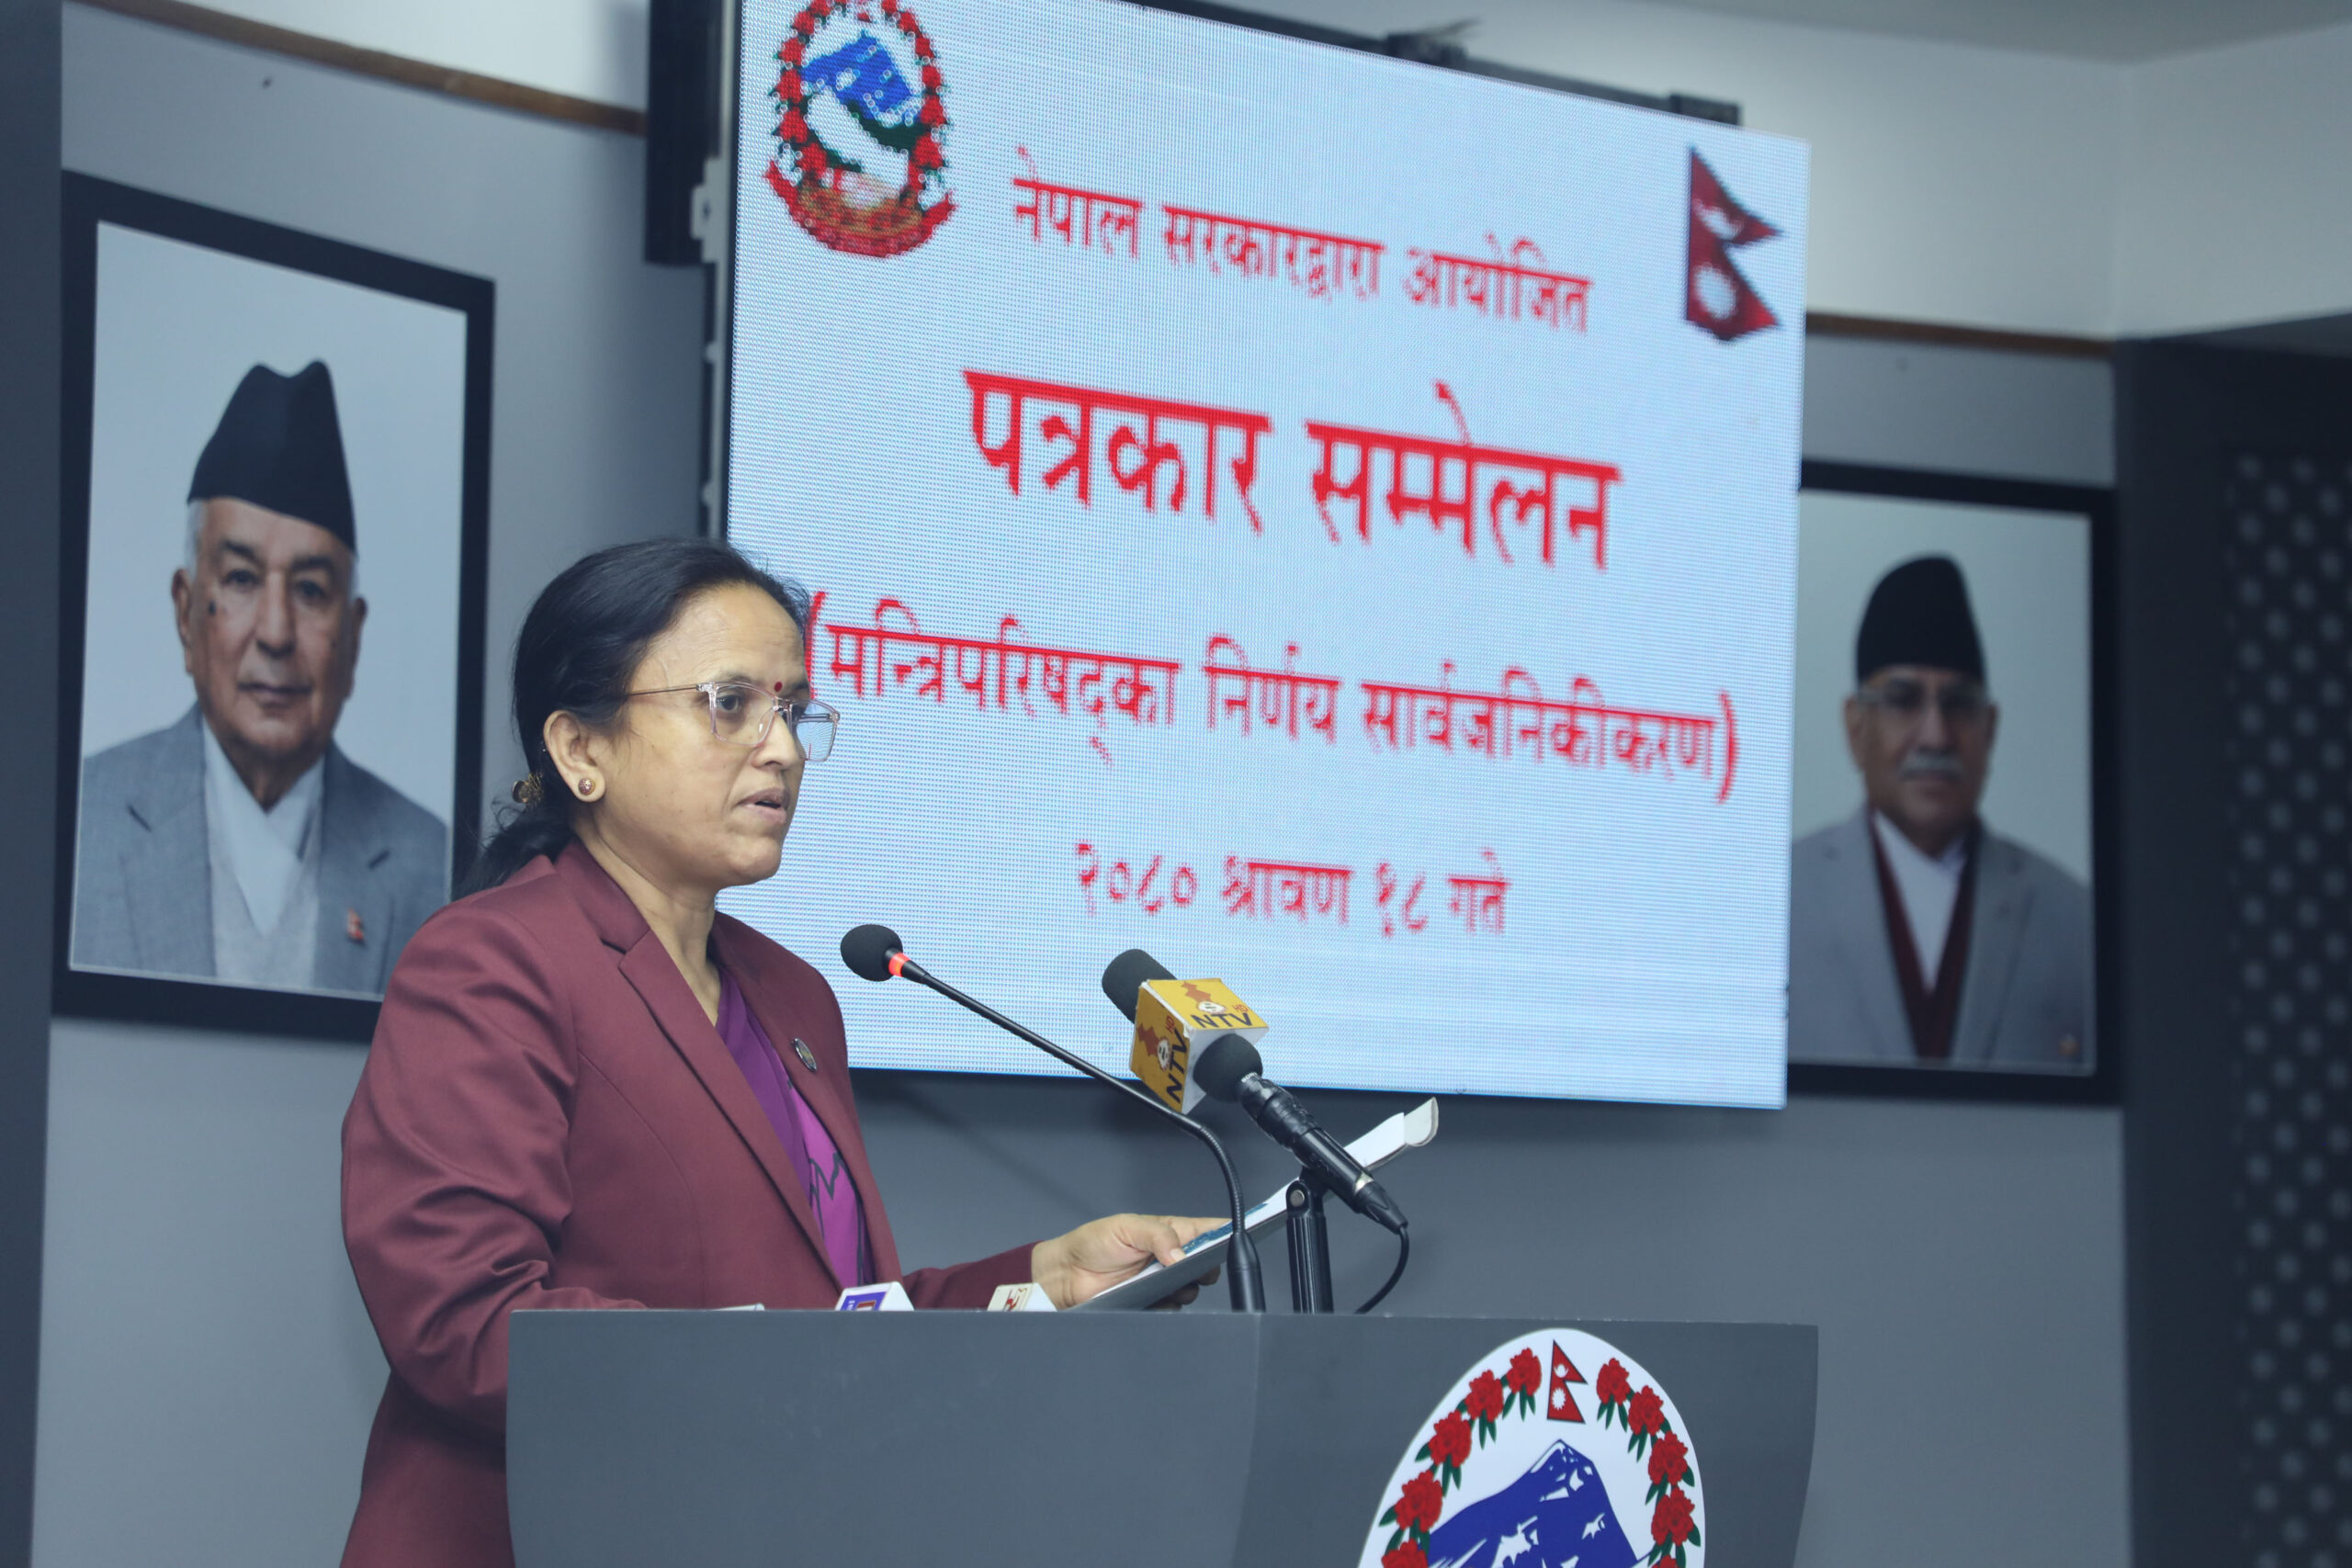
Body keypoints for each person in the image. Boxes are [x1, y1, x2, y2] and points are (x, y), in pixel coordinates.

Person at [337, 539, 1216, 1567]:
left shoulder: (793, 995)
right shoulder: (491, 964)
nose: (784, 749)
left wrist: (1039, 1283)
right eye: (729, 704)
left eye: (793, 710)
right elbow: (465, 1321)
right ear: (580, 749)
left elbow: (842, 1325)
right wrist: (771, 1376)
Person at [72, 361, 447, 994]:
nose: (275, 632)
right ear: (186, 612)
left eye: (310, 589)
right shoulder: (81, 826)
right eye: (242, 579)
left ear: (353, 636)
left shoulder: (432, 865)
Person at [1789, 555, 2091, 1068]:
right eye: (1903, 701)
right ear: (1856, 726)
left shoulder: (2071, 920)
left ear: (1989, 729)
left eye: (1959, 704)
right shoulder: (1777, 904)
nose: (1935, 735)